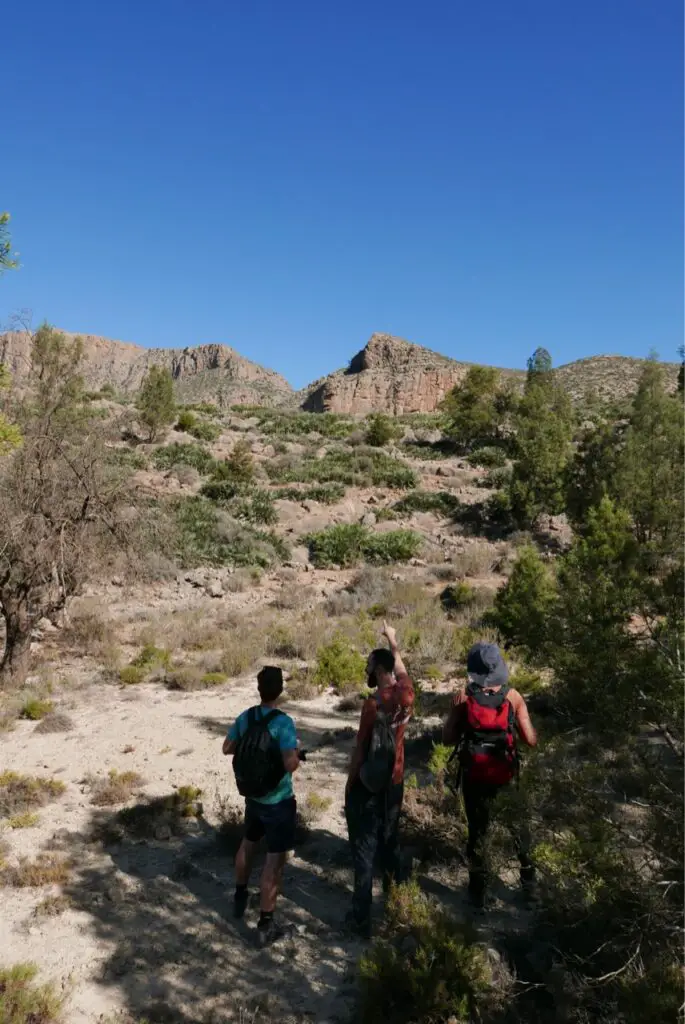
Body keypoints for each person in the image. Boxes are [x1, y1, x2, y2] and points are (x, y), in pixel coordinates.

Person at [443, 641, 537, 909]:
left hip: (474, 777)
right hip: (505, 774)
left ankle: (477, 896)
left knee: (477, 833)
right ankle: (529, 885)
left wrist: (454, 712)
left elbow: (448, 739)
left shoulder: (464, 698)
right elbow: (530, 739)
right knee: (519, 829)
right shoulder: (513, 697)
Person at [222, 665, 303, 946]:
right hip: (278, 801)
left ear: (259, 689)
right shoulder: (283, 723)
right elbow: (290, 764)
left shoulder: (247, 717)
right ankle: (266, 924)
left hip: (253, 798)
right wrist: (296, 755)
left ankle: (240, 894)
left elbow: (227, 748)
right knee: (274, 860)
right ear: (279, 690)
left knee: (248, 843)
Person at [344, 621, 414, 937]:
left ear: (376, 670)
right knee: (390, 840)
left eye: (370, 666)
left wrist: (350, 783)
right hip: (394, 780)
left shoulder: (372, 704)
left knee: (364, 851)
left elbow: (361, 747)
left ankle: (361, 919)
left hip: (369, 783)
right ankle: (398, 901)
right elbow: (400, 669)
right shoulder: (406, 695)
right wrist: (393, 641)